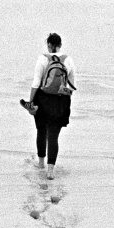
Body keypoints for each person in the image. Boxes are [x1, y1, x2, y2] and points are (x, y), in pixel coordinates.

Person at [24, 33, 76, 178]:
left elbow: (36, 83)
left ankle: (41, 164)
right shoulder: (68, 60)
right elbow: (72, 87)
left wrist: (31, 102)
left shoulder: (42, 59)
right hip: (60, 102)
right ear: (60, 45)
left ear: (48, 45)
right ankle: (50, 171)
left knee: (41, 131)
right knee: (53, 136)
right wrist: (63, 95)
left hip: (43, 100)